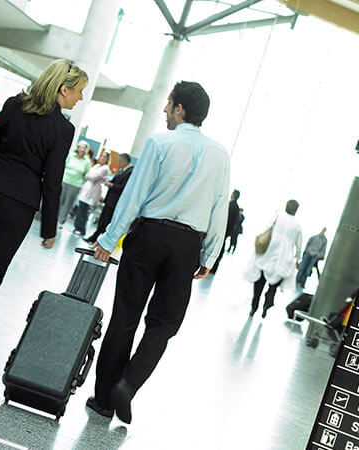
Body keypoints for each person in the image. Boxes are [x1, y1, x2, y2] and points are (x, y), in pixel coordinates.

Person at [87, 81, 230, 424]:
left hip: (148, 236)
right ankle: (129, 383)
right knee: (165, 324)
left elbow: (134, 196)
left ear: (180, 109)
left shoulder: (159, 143)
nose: (165, 110)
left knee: (125, 316)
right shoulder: (220, 155)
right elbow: (219, 208)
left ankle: (105, 399)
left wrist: (109, 239)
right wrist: (209, 257)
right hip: (187, 245)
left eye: (168, 104)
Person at [0, 59, 88, 371]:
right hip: (17, 207)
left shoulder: (15, 105)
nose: (80, 97)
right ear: (64, 89)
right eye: (79, 91)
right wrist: (49, 228)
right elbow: (52, 180)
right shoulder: (63, 129)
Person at [245, 200, 302, 319]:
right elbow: (299, 245)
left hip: (269, 252)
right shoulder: (297, 226)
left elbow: (265, 231)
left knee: (259, 283)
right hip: (283, 259)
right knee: (273, 286)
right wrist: (297, 259)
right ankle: (268, 303)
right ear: (296, 210)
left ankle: (254, 307)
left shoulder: (277, 217)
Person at [83, 153, 134, 244]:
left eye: (120, 161)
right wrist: (109, 182)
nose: (119, 163)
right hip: (110, 200)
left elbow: (124, 188)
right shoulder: (123, 170)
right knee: (102, 220)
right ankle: (95, 237)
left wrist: (111, 185)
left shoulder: (129, 172)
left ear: (125, 161)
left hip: (115, 201)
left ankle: (100, 240)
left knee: (106, 222)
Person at [73, 152, 109, 236]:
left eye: (104, 157)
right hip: (86, 189)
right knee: (80, 208)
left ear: (107, 159)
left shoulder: (105, 168)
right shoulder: (96, 166)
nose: (102, 158)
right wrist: (89, 175)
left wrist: (88, 176)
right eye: (102, 156)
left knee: (84, 210)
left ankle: (81, 229)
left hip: (92, 192)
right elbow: (88, 174)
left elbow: (94, 177)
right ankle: (77, 227)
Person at [57, 140, 90, 229]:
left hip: (75, 185)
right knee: (58, 201)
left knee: (68, 204)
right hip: (64, 181)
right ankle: (53, 218)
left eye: (84, 148)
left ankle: (61, 221)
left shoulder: (87, 162)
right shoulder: (71, 156)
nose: (82, 150)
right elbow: (64, 166)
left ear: (86, 150)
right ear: (78, 148)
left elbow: (86, 175)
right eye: (81, 147)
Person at [210, 189, 240, 273]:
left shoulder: (230, 205)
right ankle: (215, 266)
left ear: (233, 195)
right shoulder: (237, 208)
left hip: (223, 229)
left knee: (218, 247)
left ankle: (213, 266)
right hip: (228, 230)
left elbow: (225, 218)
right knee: (221, 247)